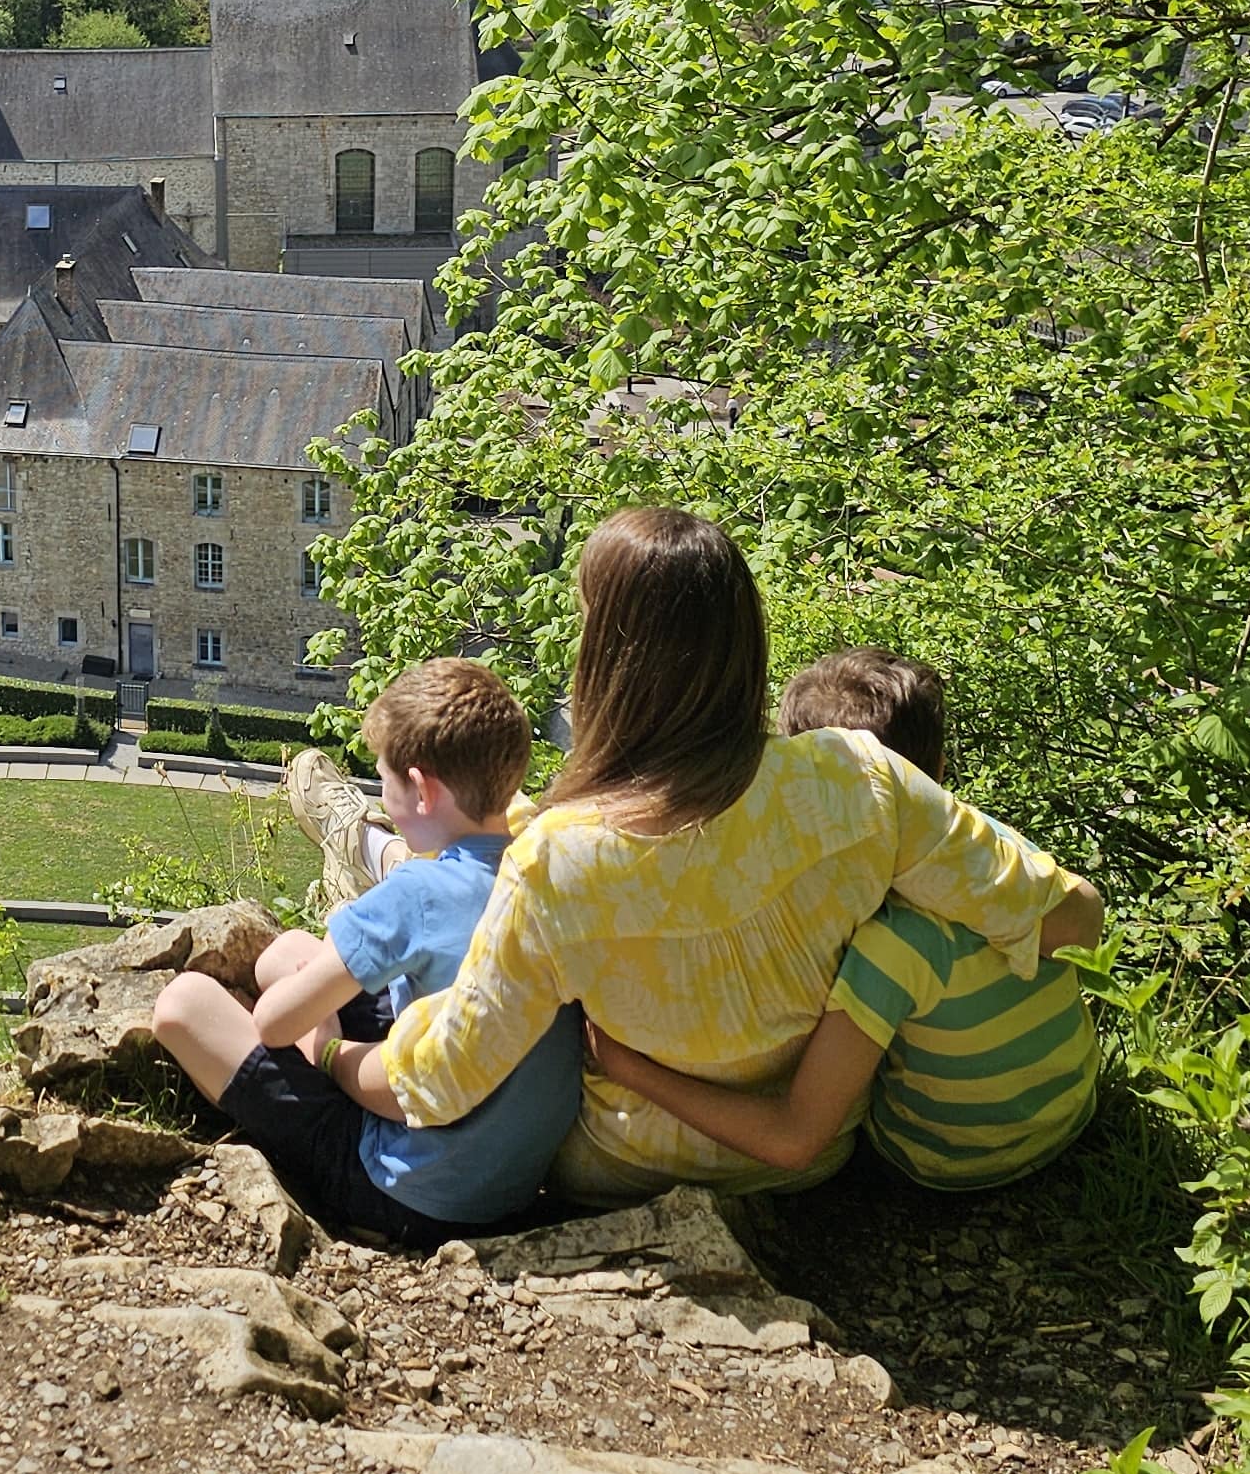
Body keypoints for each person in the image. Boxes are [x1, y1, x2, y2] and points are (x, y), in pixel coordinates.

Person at [379, 509, 1103, 1202]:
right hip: (810, 1167)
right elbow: (1073, 920)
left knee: (462, 922)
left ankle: (378, 871)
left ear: (606, 658)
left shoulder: (556, 856)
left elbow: (446, 1078)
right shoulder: (857, 778)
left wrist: (324, 1055)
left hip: (620, 1169)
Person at [585, 651, 1101, 1192]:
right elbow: (1083, 925)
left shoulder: (894, 939)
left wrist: (630, 1069)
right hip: (1072, 1106)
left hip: (955, 1163)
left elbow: (795, 1138)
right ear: (939, 770)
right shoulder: (986, 847)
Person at [149, 658, 582, 1248]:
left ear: (422, 790)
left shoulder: (418, 893)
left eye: (383, 780)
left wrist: (323, 1040)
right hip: (504, 1186)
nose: (381, 792)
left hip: (406, 1192)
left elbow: (276, 1026)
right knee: (292, 952)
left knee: (183, 1004)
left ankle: (332, 1130)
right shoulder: (540, 870)